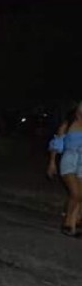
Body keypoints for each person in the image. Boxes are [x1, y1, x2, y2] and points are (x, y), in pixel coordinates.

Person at [48, 101, 82, 236]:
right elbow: (56, 145)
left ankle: (75, 224)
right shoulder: (67, 125)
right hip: (69, 160)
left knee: (81, 195)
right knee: (76, 194)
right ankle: (67, 223)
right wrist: (51, 163)